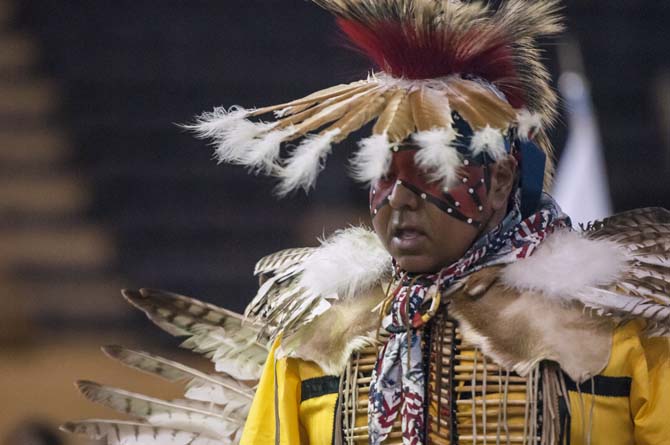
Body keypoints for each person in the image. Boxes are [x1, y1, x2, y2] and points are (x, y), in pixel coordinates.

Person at [63, 1, 670, 444]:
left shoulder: (612, 327)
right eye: (384, 175)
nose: (399, 202)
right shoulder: (316, 334)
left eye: (430, 173)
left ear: (502, 180)